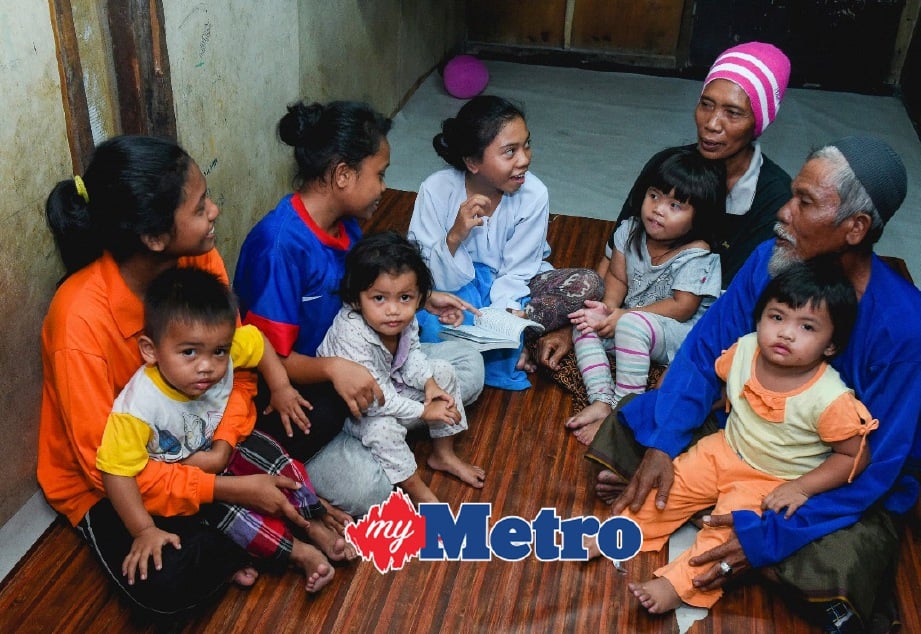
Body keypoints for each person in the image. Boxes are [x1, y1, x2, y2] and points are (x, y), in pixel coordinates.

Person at [588, 136, 921, 632]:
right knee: (641, 423)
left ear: (855, 228)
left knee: (846, 562)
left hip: (824, 475)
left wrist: (771, 533)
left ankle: (748, 542)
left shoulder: (905, 326)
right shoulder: (771, 260)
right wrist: (662, 447)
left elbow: (879, 465)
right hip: (745, 431)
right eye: (792, 195)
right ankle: (709, 512)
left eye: (804, 202)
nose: (782, 211)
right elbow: (705, 352)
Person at [38, 135, 314, 616]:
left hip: (200, 433)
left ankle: (250, 524)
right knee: (164, 582)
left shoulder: (196, 258)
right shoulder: (77, 322)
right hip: (121, 477)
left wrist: (224, 445)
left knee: (316, 404)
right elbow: (107, 470)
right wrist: (226, 486)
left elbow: (234, 361)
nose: (215, 212)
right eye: (200, 206)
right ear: (153, 237)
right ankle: (257, 522)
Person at [234, 100, 485, 517]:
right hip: (310, 392)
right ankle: (379, 430)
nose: (385, 186)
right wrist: (334, 369)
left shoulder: (346, 223)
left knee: (467, 364)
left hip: (371, 360)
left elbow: (372, 294)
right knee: (374, 491)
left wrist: (421, 300)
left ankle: (390, 421)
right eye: (380, 174)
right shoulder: (278, 246)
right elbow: (268, 357)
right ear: (343, 175)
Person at [610, 258, 876, 614]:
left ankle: (679, 585)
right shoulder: (745, 349)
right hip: (724, 449)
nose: (786, 333)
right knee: (671, 485)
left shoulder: (830, 397)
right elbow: (724, 388)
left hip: (771, 479)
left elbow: (855, 455)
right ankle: (622, 532)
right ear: (760, 317)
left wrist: (802, 488)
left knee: (727, 533)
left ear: (831, 345)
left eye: (807, 327)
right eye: (777, 317)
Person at [96, 267, 352, 594]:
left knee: (282, 463)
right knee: (234, 518)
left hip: (229, 444)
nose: (207, 365)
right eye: (189, 352)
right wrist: (144, 530)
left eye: (218, 351)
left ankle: (314, 520)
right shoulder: (137, 408)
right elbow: (116, 473)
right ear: (150, 350)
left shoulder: (228, 347)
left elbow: (257, 341)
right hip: (193, 480)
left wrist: (282, 387)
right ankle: (299, 553)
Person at [543, 41, 793, 372]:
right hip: (630, 313)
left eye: (733, 113)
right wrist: (575, 326)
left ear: (758, 122)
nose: (712, 123)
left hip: (700, 330)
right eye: (706, 104)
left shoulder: (773, 199)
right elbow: (615, 255)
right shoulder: (668, 168)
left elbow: (735, 305)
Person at [408, 95, 603, 389]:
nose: (524, 159)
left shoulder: (534, 193)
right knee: (420, 316)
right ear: (473, 161)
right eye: (509, 151)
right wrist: (454, 236)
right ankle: (516, 346)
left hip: (514, 291)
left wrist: (500, 320)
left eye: (526, 145)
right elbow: (422, 273)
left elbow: (518, 272)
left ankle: (507, 338)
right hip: (449, 292)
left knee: (588, 284)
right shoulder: (435, 189)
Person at [564, 146, 724, 444]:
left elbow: (683, 307)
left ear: (698, 218)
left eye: (675, 205)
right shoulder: (630, 231)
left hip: (676, 333)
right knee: (584, 321)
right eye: (654, 196)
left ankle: (624, 409)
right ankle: (601, 398)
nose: (658, 209)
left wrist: (625, 316)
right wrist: (608, 309)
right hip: (633, 324)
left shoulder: (698, 254)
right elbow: (616, 276)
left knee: (631, 325)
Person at [317, 232, 485, 504]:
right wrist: (423, 410)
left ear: (419, 297)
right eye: (379, 298)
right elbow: (375, 402)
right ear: (357, 299)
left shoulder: (403, 321)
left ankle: (443, 454)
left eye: (405, 297)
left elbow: (412, 355)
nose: (394, 310)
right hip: (355, 409)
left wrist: (430, 383)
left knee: (443, 371)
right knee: (382, 430)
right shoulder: (351, 333)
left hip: (390, 385)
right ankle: (420, 492)